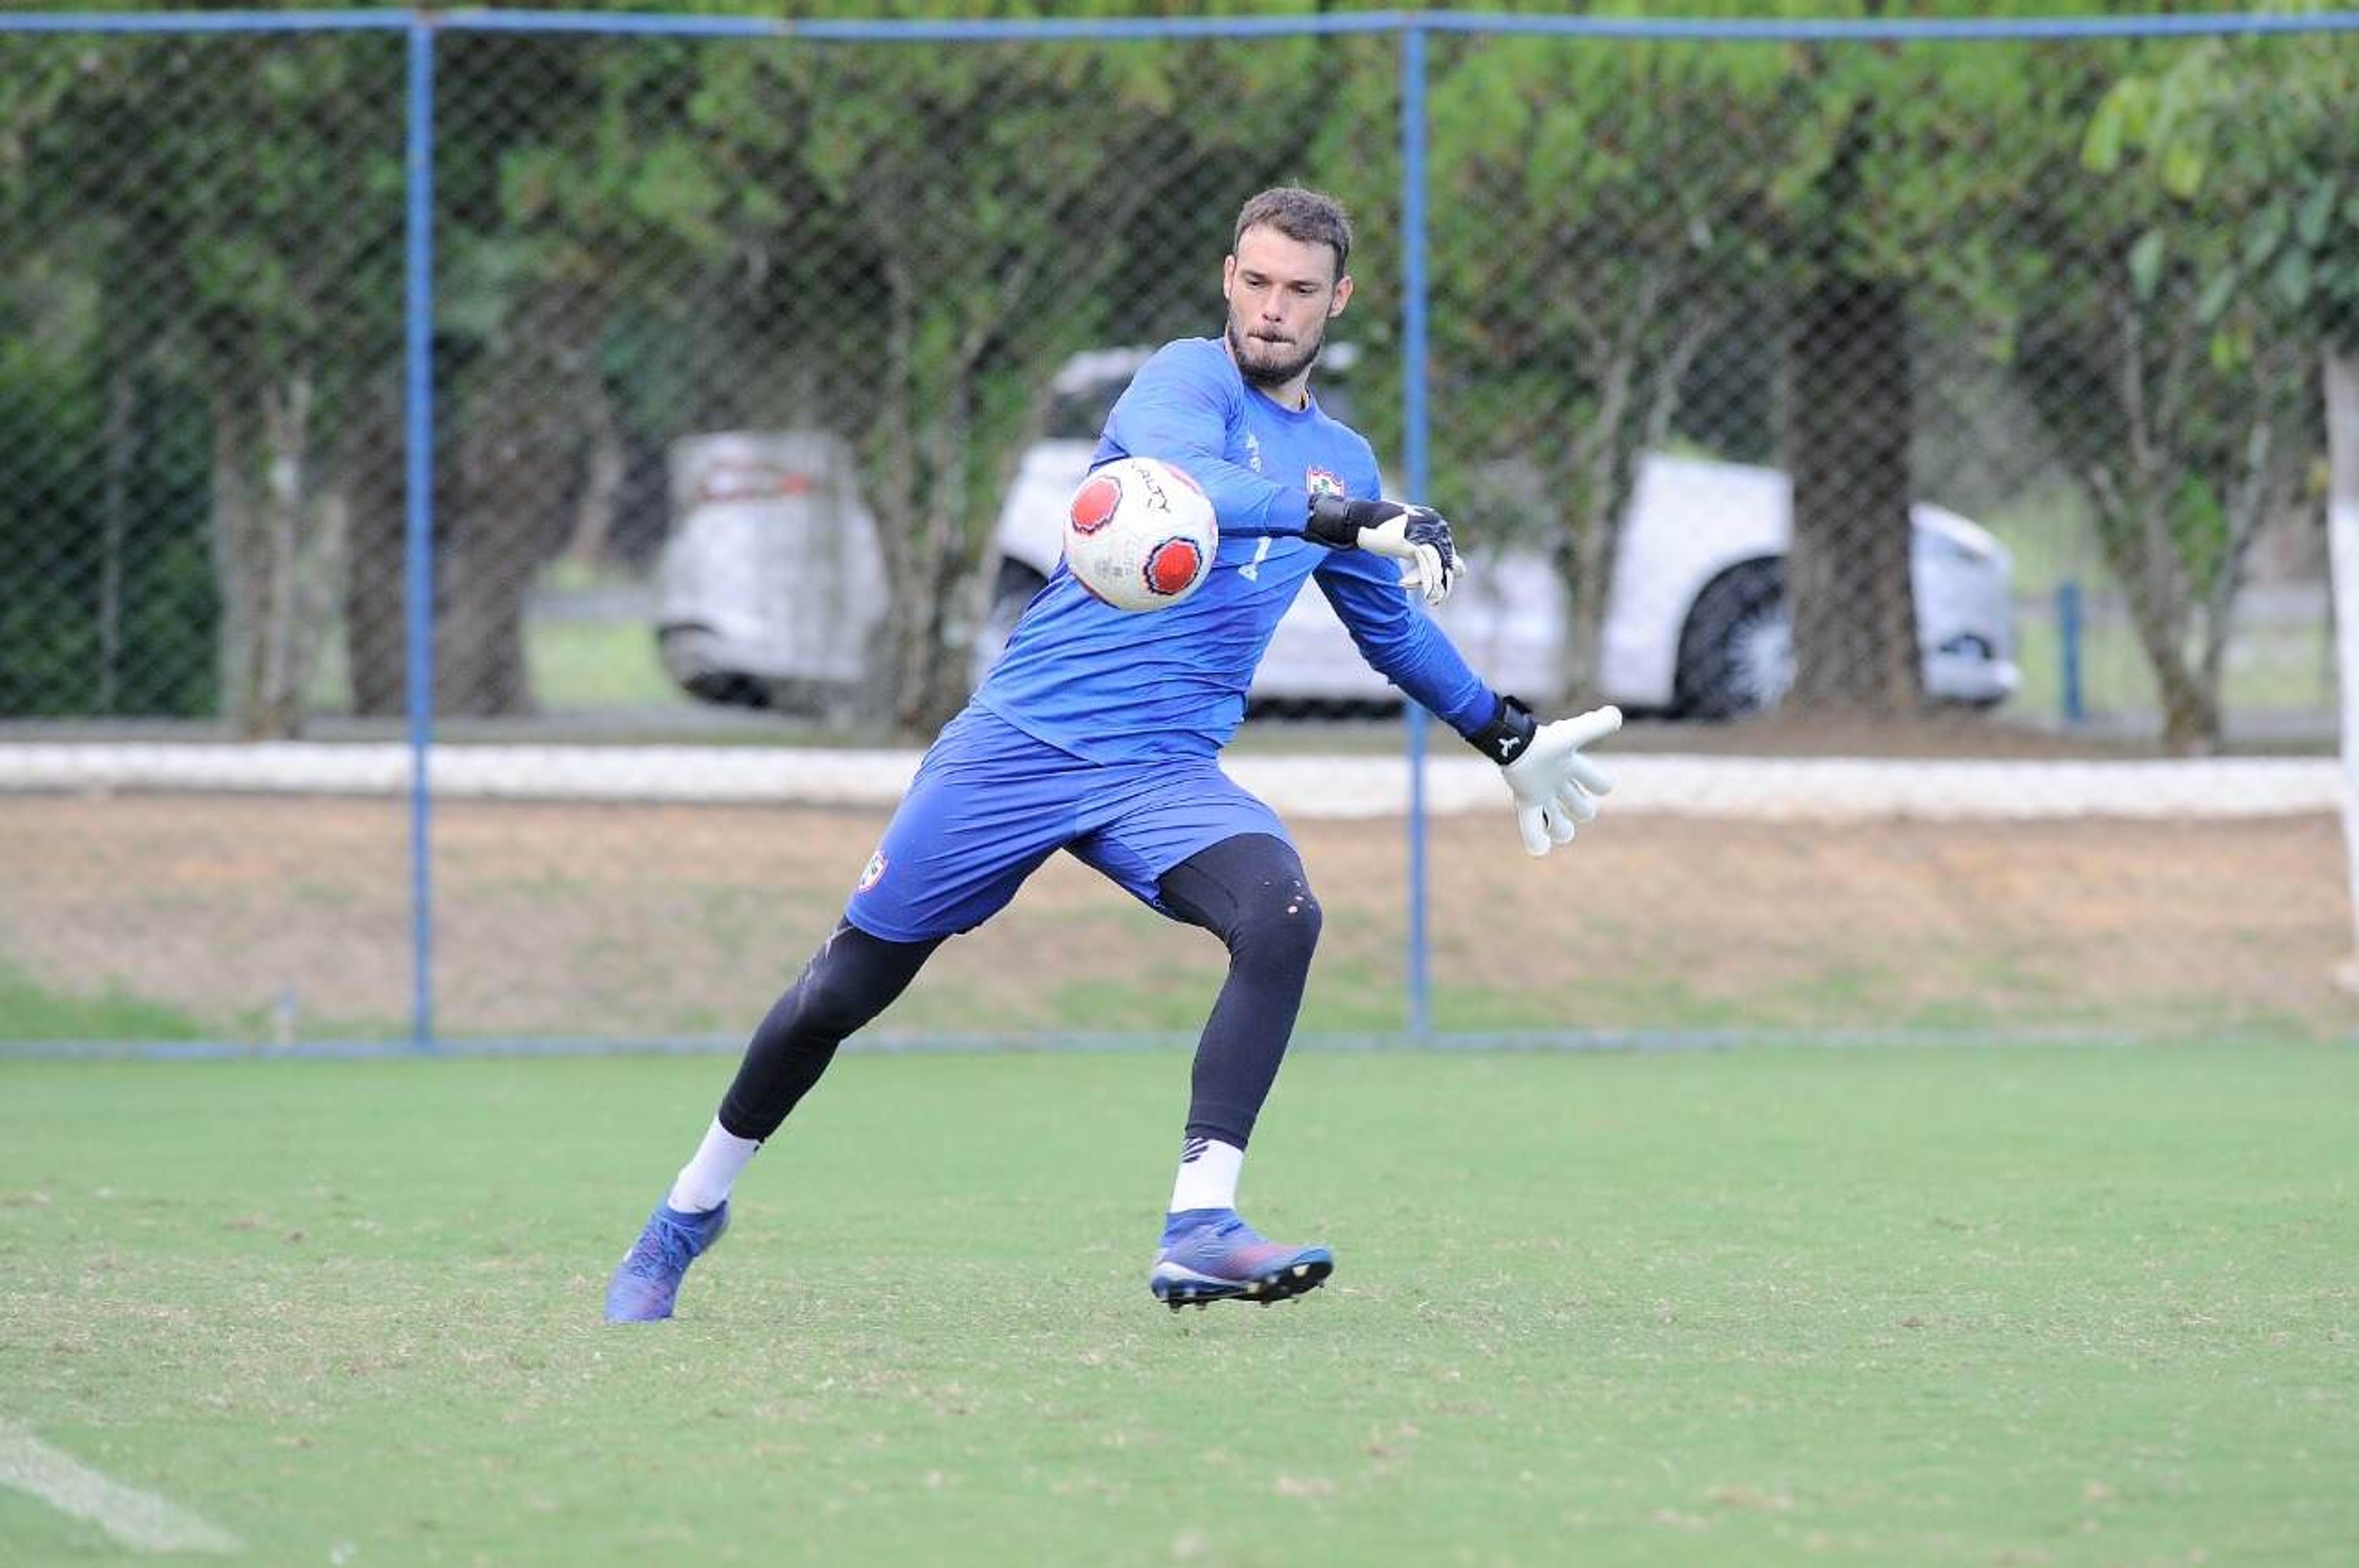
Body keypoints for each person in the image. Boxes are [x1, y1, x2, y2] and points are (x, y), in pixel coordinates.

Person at [605, 186, 1621, 1322]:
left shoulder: (1337, 456)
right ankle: (687, 1213)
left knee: (1281, 912)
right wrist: (1348, 516)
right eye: (1255, 281)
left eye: (1299, 290)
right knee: (839, 993)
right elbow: (1205, 490)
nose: (1272, 309)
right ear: (1227, 278)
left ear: (1339, 300)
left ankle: (1202, 1222)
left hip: (1164, 775)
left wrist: (1505, 731)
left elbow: (1385, 626)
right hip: (1020, 744)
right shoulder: (1183, 381)